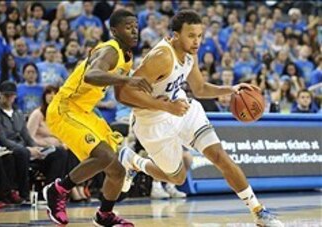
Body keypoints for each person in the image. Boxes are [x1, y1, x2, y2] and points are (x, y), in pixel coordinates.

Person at [116, 10, 283, 227]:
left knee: (219, 155)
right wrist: (165, 106)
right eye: (191, 36)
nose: (197, 41)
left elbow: (200, 88)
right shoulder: (162, 57)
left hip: (183, 109)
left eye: (199, 35)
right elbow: (124, 94)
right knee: (177, 178)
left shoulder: (190, 54)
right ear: (175, 35)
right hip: (152, 121)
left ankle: (258, 211)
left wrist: (230, 89)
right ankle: (133, 160)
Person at [43, 9, 152, 226]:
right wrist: (127, 80)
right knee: (103, 156)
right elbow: (92, 75)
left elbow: (120, 91)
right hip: (65, 108)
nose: (134, 30)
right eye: (128, 26)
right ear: (114, 30)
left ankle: (104, 215)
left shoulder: (127, 56)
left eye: (136, 26)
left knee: (117, 171)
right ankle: (57, 190)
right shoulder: (110, 50)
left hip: (85, 111)